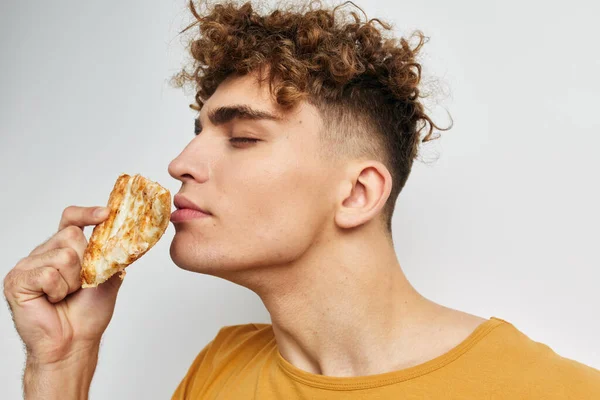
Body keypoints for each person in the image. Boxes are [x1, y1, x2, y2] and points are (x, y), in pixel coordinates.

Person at [4, 1, 600, 399]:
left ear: (357, 193)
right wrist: (62, 363)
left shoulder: (550, 390)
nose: (180, 165)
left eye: (242, 137)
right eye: (198, 133)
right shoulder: (221, 369)